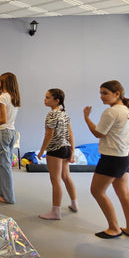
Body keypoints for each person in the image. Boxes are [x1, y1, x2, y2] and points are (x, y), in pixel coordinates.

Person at [83, 80, 129, 239]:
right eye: (101, 93)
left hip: (112, 159)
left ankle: (114, 228)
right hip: (124, 158)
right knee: (124, 194)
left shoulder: (111, 112)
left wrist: (87, 118)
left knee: (97, 191)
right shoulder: (127, 110)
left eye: (105, 93)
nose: (102, 96)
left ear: (117, 94)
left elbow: (98, 133)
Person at [37, 89, 78, 220]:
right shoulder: (64, 114)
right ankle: (74, 204)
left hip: (55, 149)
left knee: (55, 180)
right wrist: (72, 150)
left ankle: (56, 212)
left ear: (57, 100)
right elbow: (70, 134)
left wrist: (42, 150)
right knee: (66, 176)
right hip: (66, 148)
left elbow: (49, 134)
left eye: (48, 97)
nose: (45, 100)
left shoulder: (52, 114)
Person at [0, 72, 21, 204]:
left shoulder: (3, 97)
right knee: (3, 164)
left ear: (4, 83)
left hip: (2, 132)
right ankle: (4, 192)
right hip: (11, 132)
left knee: (3, 165)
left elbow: (3, 119)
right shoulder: (13, 97)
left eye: (0, 81)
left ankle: (8, 196)